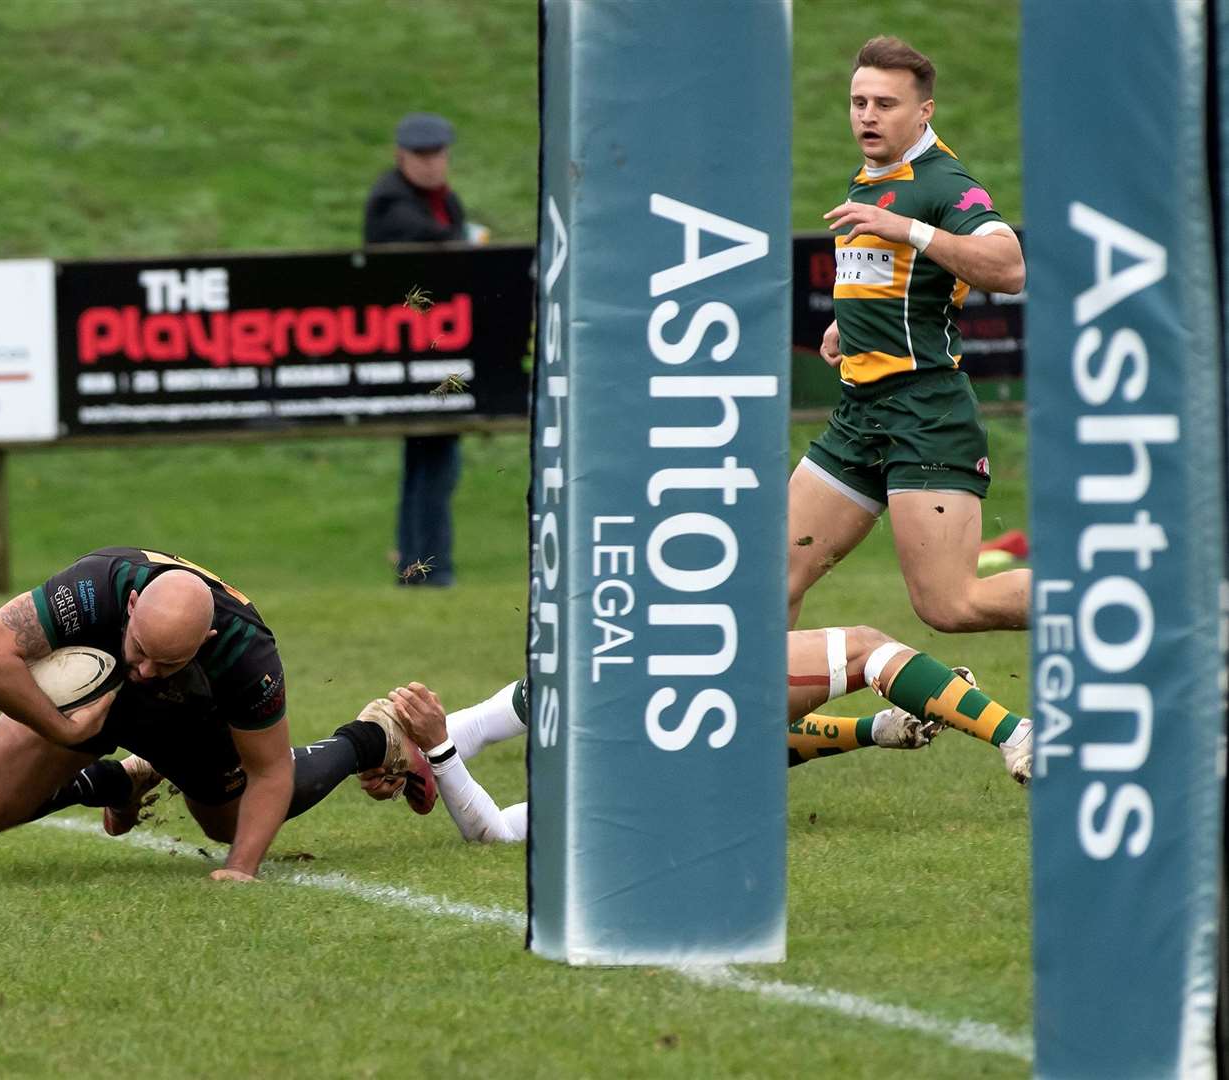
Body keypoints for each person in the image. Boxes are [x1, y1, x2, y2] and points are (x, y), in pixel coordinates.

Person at [0, 546, 436, 882]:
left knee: (229, 828)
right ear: (134, 605)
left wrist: (240, 869)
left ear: (203, 642)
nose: (144, 670)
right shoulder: (96, 586)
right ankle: (122, 782)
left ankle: (370, 736)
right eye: (139, 649)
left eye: (166, 661)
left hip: (193, 718)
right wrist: (64, 726)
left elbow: (268, 772)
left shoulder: (245, 652)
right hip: (91, 700)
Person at [369, 625, 1033, 843]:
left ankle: (879, 730)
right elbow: (494, 828)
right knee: (865, 650)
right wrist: (438, 750)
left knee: (731, 748)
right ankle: (1016, 732)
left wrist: (428, 747)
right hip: (696, 689)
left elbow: (481, 743)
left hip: (694, 766)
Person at [789, 37, 1029, 633]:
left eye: (886, 104)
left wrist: (909, 229)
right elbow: (897, 280)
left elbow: (1009, 267)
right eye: (859, 101)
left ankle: (1133, 596)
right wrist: (849, 322)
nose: (867, 115)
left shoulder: (944, 183)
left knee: (950, 605)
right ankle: (756, 722)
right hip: (859, 414)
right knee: (770, 580)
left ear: (924, 111)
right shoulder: (869, 176)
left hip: (925, 413)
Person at [363, 112, 469, 587]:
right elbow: (425, 238)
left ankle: (418, 565)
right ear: (400, 157)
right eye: (420, 157)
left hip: (440, 345)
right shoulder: (392, 203)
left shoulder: (446, 203)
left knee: (432, 464)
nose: (430, 165)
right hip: (411, 349)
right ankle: (430, 568)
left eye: (437, 155)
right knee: (432, 468)